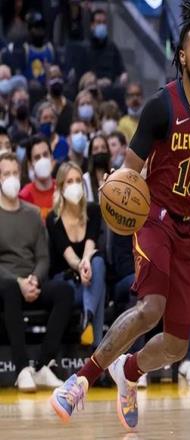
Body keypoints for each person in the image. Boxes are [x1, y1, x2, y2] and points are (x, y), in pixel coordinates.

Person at [50, 0, 190, 431]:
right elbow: (129, 173)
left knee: (175, 345)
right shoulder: (160, 106)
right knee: (151, 309)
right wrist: (117, 198)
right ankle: (81, 380)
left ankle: (128, 371)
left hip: (189, 228)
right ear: (182, 57)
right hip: (154, 217)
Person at [0, 153, 73, 392]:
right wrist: (18, 281)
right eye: (6, 174)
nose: (12, 178)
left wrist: (34, 279)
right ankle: (22, 369)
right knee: (10, 288)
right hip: (6, 284)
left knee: (64, 291)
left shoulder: (32, 213)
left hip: (32, 281)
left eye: (15, 173)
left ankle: (43, 365)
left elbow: (43, 257)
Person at [46, 162, 106, 349]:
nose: (75, 185)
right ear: (61, 187)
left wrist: (86, 262)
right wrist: (81, 266)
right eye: (69, 181)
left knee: (97, 262)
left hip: (88, 278)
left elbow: (90, 244)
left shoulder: (93, 211)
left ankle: (87, 317)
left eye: (78, 180)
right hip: (67, 283)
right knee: (99, 286)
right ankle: (96, 348)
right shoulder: (53, 218)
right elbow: (69, 255)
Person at [19, 135, 55, 221]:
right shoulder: (24, 196)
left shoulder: (62, 188)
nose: (42, 160)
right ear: (30, 164)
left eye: (45, 155)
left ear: (51, 157)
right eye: (37, 157)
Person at [82, 135, 110, 202]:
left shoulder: (115, 177)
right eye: (96, 149)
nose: (100, 151)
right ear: (91, 154)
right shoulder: (85, 180)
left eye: (103, 147)